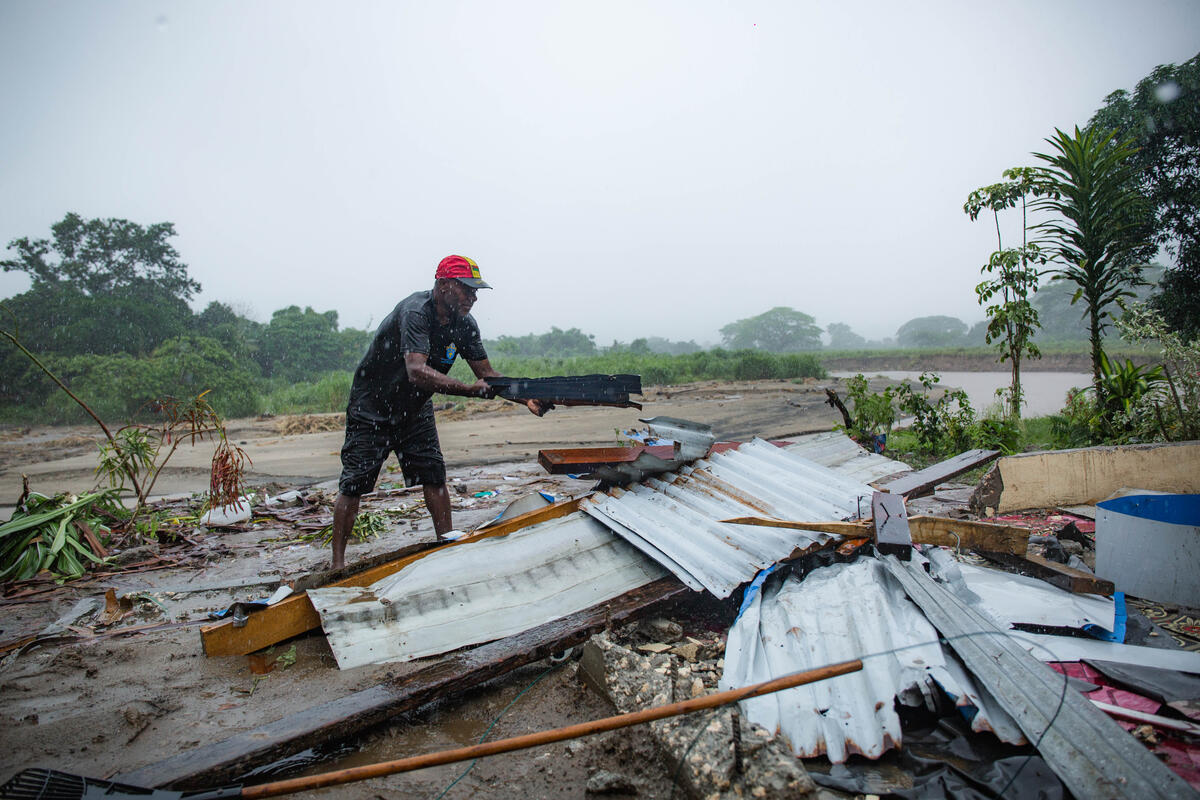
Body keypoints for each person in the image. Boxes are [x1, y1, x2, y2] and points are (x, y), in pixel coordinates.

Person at [330, 255, 550, 568]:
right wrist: (467, 391)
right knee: (354, 484)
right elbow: (416, 371)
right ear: (444, 285)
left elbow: (486, 374)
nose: (473, 298)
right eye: (467, 289)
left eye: (476, 292)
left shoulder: (465, 325)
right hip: (373, 408)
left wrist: (525, 397)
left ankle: (448, 547)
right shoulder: (416, 313)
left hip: (415, 409)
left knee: (434, 476)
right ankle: (337, 564)